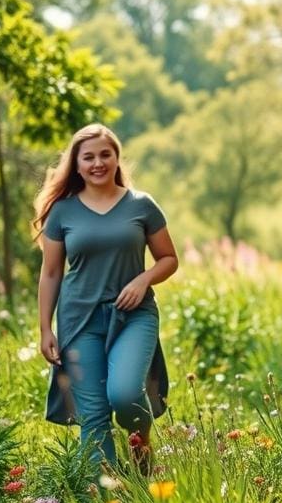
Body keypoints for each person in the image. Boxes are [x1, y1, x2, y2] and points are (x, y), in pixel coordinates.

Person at [34, 124, 179, 473]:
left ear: (116, 158)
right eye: (88, 157)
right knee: (94, 415)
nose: (97, 163)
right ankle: (105, 501)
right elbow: (51, 273)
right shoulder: (63, 212)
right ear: (77, 164)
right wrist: (44, 329)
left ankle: (142, 451)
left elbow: (169, 259)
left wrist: (143, 280)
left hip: (134, 315)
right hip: (79, 321)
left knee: (126, 394)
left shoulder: (142, 205)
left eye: (105, 154)